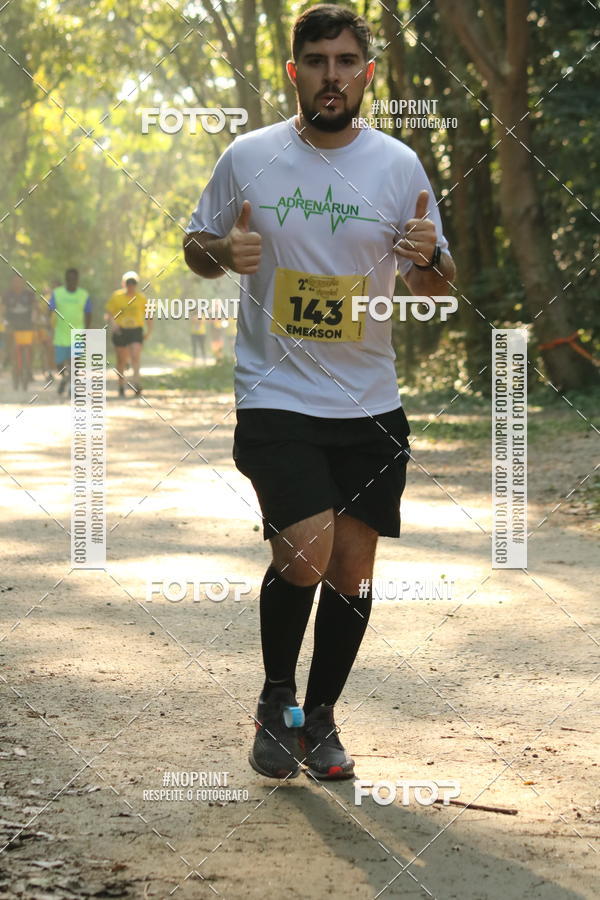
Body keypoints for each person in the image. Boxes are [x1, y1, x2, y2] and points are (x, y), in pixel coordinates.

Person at [183, 4, 456, 781]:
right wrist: (220, 250)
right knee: (306, 549)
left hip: (370, 402)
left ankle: (321, 720)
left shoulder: (398, 166)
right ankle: (278, 703)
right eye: (316, 61)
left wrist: (431, 258)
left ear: (365, 75)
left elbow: (435, 283)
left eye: (345, 62)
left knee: (353, 571)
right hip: (275, 396)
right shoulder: (249, 155)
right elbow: (197, 243)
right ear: (293, 70)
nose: (330, 76)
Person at [105, 271, 151, 397]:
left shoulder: (141, 298)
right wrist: (114, 325)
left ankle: (136, 383)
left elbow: (148, 315)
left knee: (135, 355)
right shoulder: (117, 296)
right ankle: (121, 385)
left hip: (136, 330)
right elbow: (109, 313)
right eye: (128, 282)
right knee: (121, 359)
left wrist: (149, 330)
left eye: (133, 283)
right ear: (124, 283)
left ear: (136, 284)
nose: (131, 285)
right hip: (121, 330)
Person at [49, 269, 92, 395]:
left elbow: (88, 313)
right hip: (60, 333)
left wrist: (86, 331)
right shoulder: (57, 293)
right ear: (66, 280)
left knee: (76, 361)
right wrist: (48, 323)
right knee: (59, 364)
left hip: (77, 332)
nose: (71, 281)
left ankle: (72, 386)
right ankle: (64, 378)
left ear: (77, 280)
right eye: (69, 279)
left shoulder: (83, 294)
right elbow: (50, 310)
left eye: (74, 279)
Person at [4, 274, 36, 390]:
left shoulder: (29, 294)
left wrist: (34, 320)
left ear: (23, 282)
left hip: (27, 324)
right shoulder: (7, 294)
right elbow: (3, 309)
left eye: (19, 281)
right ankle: (8, 357)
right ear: (11, 283)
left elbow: (34, 308)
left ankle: (29, 367)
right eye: (14, 282)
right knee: (10, 341)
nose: (17, 284)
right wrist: (5, 322)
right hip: (12, 324)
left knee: (31, 345)